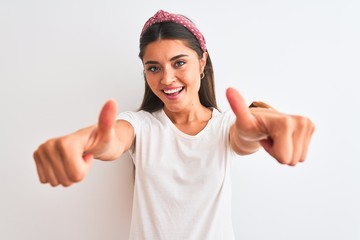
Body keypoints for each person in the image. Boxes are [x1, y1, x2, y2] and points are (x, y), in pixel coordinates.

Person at [33, 10, 315, 240]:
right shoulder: (140, 126)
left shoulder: (224, 126)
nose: (167, 79)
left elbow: (244, 137)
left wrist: (265, 123)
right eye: (153, 68)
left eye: (179, 63)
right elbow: (111, 140)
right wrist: (81, 143)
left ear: (202, 61)